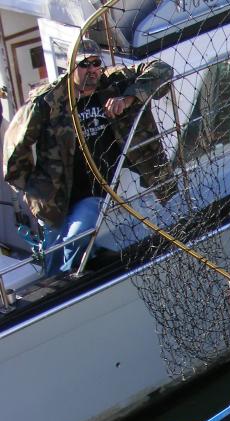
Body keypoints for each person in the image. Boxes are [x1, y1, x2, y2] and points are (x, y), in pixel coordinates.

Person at [3, 39, 174, 276]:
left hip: (92, 193)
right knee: (52, 265)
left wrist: (128, 98)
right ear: (70, 68)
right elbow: (15, 148)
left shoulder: (113, 83)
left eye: (96, 64)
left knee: (75, 239)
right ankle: (56, 299)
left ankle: (71, 285)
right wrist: (32, 189)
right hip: (54, 199)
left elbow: (163, 69)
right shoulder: (48, 101)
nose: (92, 70)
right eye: (85, 64)